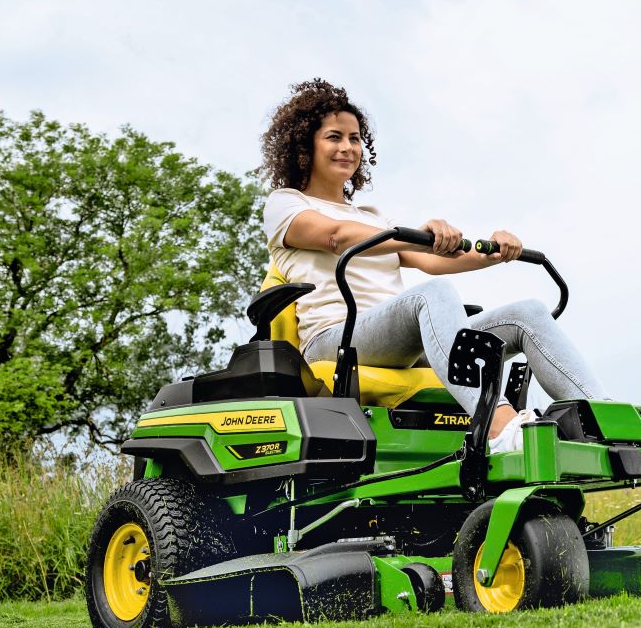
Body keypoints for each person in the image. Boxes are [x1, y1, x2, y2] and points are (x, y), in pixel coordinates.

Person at [258, 78, 610, 448]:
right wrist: (413, 233)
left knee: (527, 312)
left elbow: (431, 261)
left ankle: (603, 419)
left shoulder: (375, 218)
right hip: (334, 340)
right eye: (334, 137)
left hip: (398, 340)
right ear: (304, 145)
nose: (348, 147)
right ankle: (501, 427)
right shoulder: (286, 204)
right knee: (432, 295)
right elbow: (335, 236)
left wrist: (496, 252)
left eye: (355, 138)